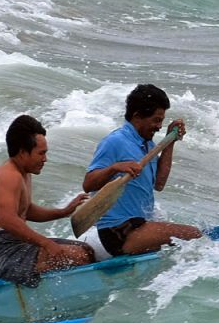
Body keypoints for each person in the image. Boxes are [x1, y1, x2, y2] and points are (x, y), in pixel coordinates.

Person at [83, 84, 203, 256]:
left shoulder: (148, 145)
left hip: (140, 224)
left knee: (183, 245)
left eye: (161, 120)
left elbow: (159, 184)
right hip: (119, 231)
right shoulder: (115, 141)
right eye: (156, 120)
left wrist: (170, 142)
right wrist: (115, 168)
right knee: (195, 236)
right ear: (137, 116)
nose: (159, 126)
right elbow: (88, 184)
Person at [0, 114, 94, 286]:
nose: (45, 159)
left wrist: (64, 211)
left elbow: (26, 210)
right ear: (23, 152)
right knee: (79, 257)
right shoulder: (9, 176)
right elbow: (8, 220)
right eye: (41, 153)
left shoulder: (24, 172)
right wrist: (46, 244)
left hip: (17, 243)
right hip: (2, 250)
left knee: (87, 251)